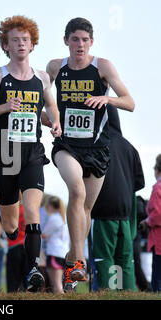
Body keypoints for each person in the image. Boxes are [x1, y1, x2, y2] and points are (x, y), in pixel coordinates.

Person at [46, 17, 135, 290]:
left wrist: (107, 98)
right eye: (75, 39)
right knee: (76, 191)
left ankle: (72, 260)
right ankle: (79, 262)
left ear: (91, 42)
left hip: (97, 148)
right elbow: (41, 100)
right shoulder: (55, 67)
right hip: (67, 145)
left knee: (85, 209)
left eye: (85, 40)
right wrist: (49, 118)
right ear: (66, 41)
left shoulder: (102, 67)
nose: (80, 45)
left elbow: (130, 102)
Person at [0, 15, 61, 292]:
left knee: (33, 208)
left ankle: (34, 269)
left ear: (33, 44)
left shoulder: (43, 78)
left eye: (25, 39)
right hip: (6, 152)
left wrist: (55, 121)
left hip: (33, 151)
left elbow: (51, 108)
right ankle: (13, 235)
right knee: (12, 224)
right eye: (15, 40)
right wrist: (3, 108)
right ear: (6, 45)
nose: (20, 44)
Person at [91, 106, 144, 291]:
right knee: (125, 261)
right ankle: (126, 293)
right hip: (126, 214)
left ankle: (111, 294)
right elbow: (138, 183)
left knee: (105, 259)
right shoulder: (130, 147)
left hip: (103, 213)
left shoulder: (96, 143)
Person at [140, 154, 161, 292]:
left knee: (158, 276)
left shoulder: (158, 187)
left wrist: (147, 222)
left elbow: (158, 213)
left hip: (159, 239)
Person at [42, 196, 70, 293]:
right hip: (62, 252)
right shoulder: (64, 218)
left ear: (50, 206)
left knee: (57, 286)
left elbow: (44, 234)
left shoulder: (54, 218)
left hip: (54, 252)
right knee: (58, 285)